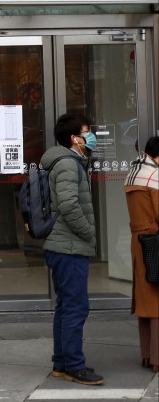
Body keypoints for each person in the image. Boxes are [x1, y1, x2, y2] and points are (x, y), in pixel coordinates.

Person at [41, 113, 104, 385]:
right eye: (87, 132)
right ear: (74, 138)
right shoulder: (68, 164)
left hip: (63, 245)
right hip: (68, 246)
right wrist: (89, 232)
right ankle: (75, 366)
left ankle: (61, 362)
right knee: (76, 307)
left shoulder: (66, 161)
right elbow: (68, 205)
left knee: (66, 307)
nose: (90, 136)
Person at [123, 135, 159, 373]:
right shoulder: (154, 177)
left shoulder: (134, 172)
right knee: (157, 302)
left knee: (145, 301)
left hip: (139, 242)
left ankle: (147, 355)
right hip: (156, 241)